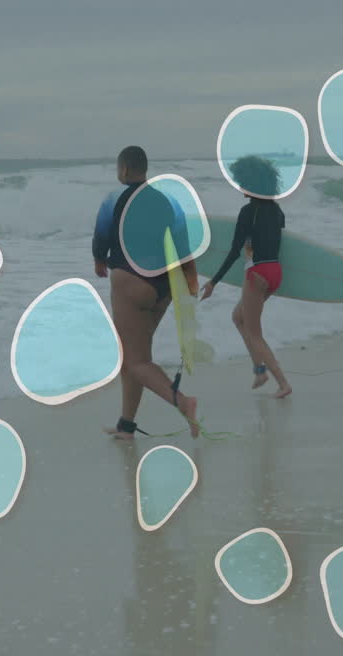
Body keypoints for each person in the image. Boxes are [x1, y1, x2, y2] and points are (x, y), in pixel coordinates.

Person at [93, 146, 202, 438]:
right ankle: (126, 425)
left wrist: (99, 259)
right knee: (136, 357)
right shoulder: (166, 201)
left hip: (131, 282)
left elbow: (101, 234)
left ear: (124, 170)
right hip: (163, 285)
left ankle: (183, 402)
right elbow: (182, 242)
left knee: (135, 360)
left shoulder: (115, 198)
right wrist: (190, 280)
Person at [200, 154, 292, 398]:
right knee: (238, 318)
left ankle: (282, 383)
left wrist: (212, 282)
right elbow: (278, 241)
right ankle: (259, 370)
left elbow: (233, 252)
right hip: (274, 272)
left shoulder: (247, 213)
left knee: (255, 333)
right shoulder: (277, 210)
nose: (239, 186)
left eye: (241, 181)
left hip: (257, 273)